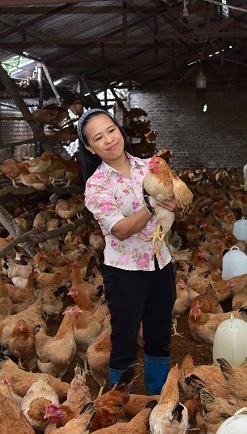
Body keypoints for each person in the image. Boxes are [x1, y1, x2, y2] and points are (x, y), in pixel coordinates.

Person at [78, 108, 178, 395]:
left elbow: (173, 205)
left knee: (159, 337)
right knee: (124, 342)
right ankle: (120, 405)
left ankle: (158, 398)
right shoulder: (96, 185)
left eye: (111, 130)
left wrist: (173, 204)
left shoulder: (150, 167)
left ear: (119, 130)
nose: (109, 139)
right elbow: (120, 229)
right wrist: (151, 205)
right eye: (98, 137)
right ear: (90, 148)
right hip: (125, 272)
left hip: (161, 264)